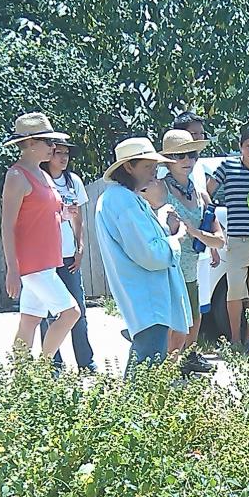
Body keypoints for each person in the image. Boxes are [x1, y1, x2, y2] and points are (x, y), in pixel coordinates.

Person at [95, 137, 192, 373]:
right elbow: (150, 254)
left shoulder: (124, 198)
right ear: (128, 167)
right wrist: (176, 239)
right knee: (145, 375)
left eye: (155, 167)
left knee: (147, 368)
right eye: (148, 167)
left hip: (146, 297)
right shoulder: (123, 201)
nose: (154, 173)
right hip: (147, 297)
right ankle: (132, 410)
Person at [0, 112, 81, 361]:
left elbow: (44, 215)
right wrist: (12, 268)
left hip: (46, 261)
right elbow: (7, 225)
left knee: (30, 320)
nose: (53, 147)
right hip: (34, 264)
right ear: (31, 143)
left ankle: (20, 378)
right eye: (47, 142)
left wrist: (65, 214)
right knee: (70, 313)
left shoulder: (42, 174)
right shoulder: (16, 176)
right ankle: (42, 372)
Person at [148, 129, 225, 371]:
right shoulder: (158, 189)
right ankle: (165, 375)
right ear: (168, 160)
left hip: (191, 269)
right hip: (168, 270)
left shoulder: (201, 195)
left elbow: (220, 241)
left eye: (191, 155)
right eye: (179, 156)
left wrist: (194, 232)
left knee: (194, 321)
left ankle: (186, 364)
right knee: (173, 327)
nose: (187, 161)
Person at [206, 127, 249, 353]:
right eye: (247, 146)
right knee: (234, 291)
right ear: (240, 146)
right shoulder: (228, 167)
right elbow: (208, 193)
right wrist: (212, 222)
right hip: (236, 239)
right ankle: (234, 339)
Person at [37, 140, 96, 373]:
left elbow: (78, 217)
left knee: (78, 309)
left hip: (68, 255)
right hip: (45, 256)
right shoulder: (40, 181)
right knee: (50, 313)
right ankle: (53, 364)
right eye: (57, 153)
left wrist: (80, 245)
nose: (62, 158)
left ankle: (86, 361)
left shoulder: (74, 181)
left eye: (66, 154)